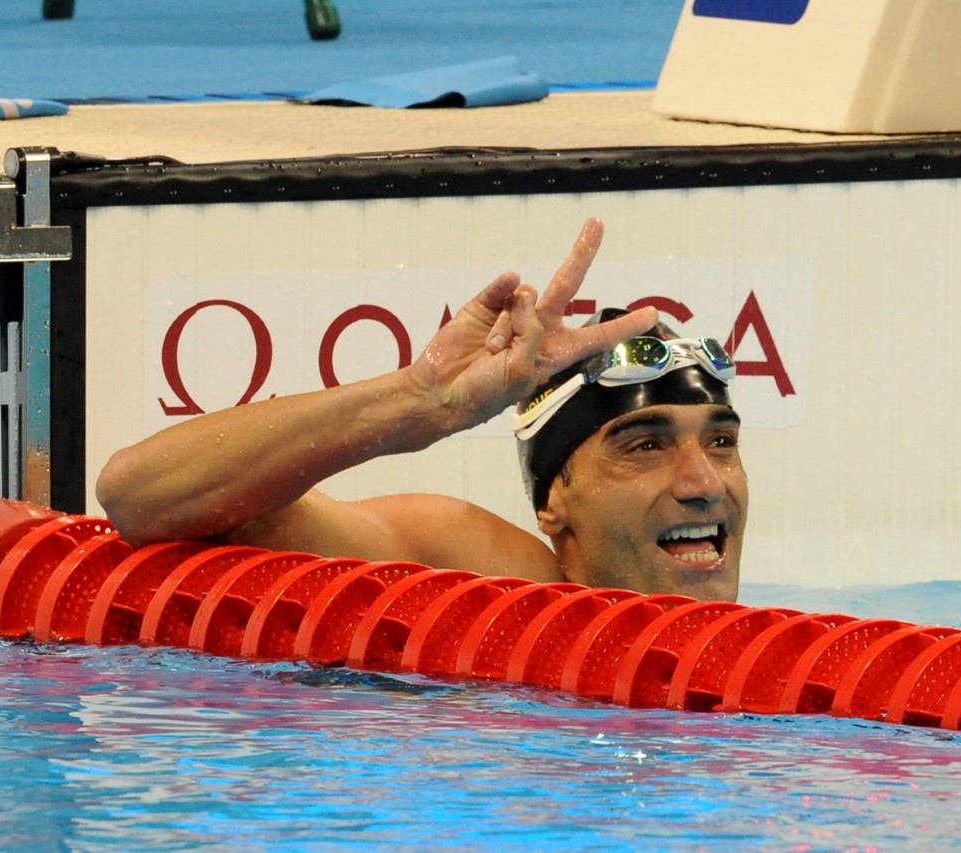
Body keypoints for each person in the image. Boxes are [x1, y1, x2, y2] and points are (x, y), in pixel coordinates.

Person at [97, 219, 748, 602]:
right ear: (554, 500)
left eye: (721, 442)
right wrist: (417, 403)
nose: (704, 484)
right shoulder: (481, 580)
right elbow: (136, 495)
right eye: (645, 445)